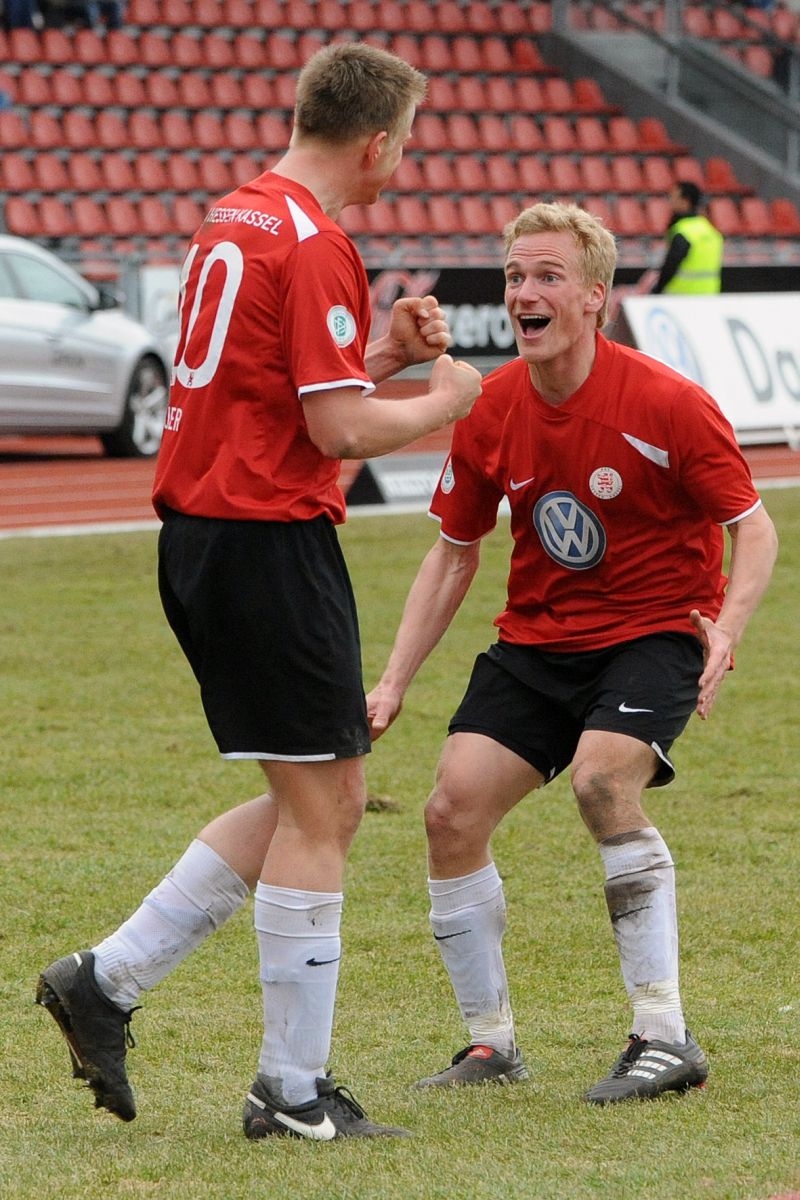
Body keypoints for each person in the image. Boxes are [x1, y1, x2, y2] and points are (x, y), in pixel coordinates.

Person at [35, 43, 482, 1142]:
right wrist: (445, 399)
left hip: (207, 533)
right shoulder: (317, 241)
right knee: (325, 806)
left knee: (314, 798)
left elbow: (272, 392)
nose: (403, 162)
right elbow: (333, 432)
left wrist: (377, 351)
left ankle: (108, 980)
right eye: (405, 143)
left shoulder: (235, 216)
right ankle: (286, 1090)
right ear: (377, 140)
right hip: (263, 539)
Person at [367, 201, 778, 1103]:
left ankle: (664, 1034)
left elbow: (754, 528)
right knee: (449, 812)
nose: (526, 292)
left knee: (601, 781)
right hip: (538, 641)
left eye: (548, 276)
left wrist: (729, 631)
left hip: (655, 633)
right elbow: (454, 550)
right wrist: (392, 680)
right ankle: (490, 1044)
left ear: (596, 297)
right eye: (516, 276)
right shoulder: (490, 407)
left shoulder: (667, 402)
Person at [650, 180, 724, 294]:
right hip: (709, 297)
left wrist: (656, 291)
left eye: (674, 197)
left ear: (686, 201)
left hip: (680, 298)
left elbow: (670, 267)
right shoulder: (712, 232)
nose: (670, 202)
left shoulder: (683, 232)